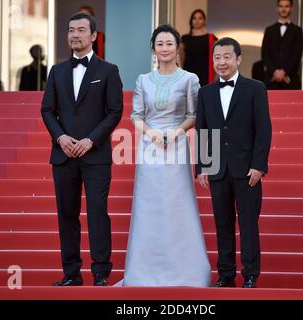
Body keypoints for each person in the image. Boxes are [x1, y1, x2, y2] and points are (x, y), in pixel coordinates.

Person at [122, 24, 211, 287]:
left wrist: (176, 132)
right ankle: (143, 271)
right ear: (153, 48)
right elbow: (136, 115)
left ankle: (185, 271)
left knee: (177, 204)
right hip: (149, 147)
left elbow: (194, 115)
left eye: (169, 44)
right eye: (159, 44)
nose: (164, 48)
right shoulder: (143, 80)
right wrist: (149, 132)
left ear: (177, 47)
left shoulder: (189, 79)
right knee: (148, 207)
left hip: (177, 145)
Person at [41, 13, 123, 287]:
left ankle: (101, 272)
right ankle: (71, 272)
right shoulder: (57, 71)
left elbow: (114, 111)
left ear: (93, 36)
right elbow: (47, 110)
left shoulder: (108, 70)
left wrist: (91, 140)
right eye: (70, 30)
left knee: (97, 211)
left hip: (95, 155)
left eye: (80, 30)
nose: (74, 34)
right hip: (63, 154)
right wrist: (61, 137)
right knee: (67, 213)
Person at [195, 38, 272, 288]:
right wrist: (203, 166)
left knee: (248, 223)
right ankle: (226, 274)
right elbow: (203, 131)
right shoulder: (205, 92)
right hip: (217, 166)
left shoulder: (255, 88)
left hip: (247, 168)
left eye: (227, 57)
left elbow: (263, 130)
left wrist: (259, 165)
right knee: (222, 223)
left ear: (238, 59)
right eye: (217, 58)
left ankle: (250, 273)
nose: (221, 62)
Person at [261, 0, 303, 90]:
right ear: (277, 8)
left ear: (291, 8)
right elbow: (264, 54)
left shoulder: (298, 30)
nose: (283, 9)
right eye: (281, 6)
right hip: (271, 79)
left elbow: (297, 54)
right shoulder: (269, 30)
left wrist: (284, 72)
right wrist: (275, 72)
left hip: (290, 79)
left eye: (286, 6)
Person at [180, 9, 218, 87]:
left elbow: (215, 58)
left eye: (200, 18)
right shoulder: (185, 38)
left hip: (205, 75)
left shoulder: (211, 38)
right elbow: (182, 59)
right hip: (188, 74)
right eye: (194, 18)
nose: (197, 20)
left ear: (204, 21)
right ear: (191, 20)